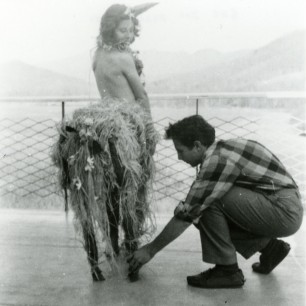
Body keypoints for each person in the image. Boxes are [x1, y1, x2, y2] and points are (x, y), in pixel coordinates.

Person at [128, 114, 304, 288]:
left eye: (180, 150)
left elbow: (189, 212)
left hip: (284, 210)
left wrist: (149, 250)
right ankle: (270, 248)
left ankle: (227, 271)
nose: (179, 157)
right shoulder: (223, 149)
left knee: (205, 204)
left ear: (197, 146)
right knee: (203, 202)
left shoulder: (217, 160)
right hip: (284, 205)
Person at [52, 3, 158, 282]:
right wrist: (149, 131)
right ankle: (131, 249)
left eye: (131, 29)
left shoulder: (98, 55)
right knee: (132, 193)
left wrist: (128, 15)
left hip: (103, 125)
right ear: (112, 30)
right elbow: (141, 97)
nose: (129, 34)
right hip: (126, 128)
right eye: (123, 30)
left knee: (109, 195)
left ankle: (110, 250)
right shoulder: (123, 57)